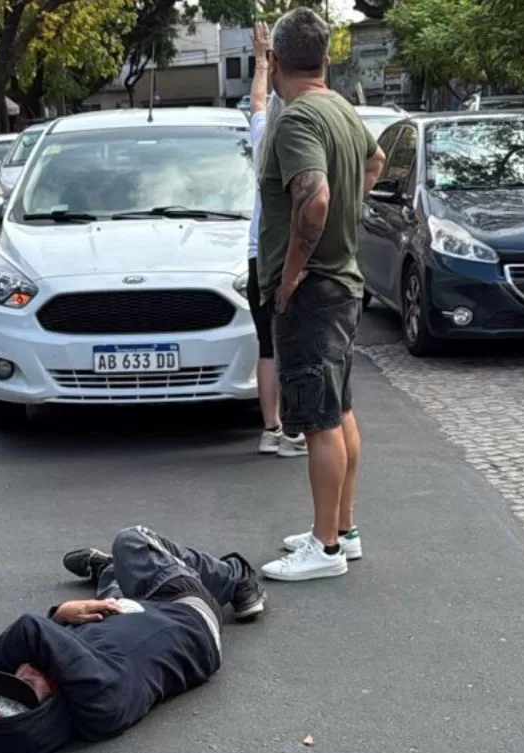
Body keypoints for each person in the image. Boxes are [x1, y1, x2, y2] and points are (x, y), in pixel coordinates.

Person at [0, 526, 266, 753]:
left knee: (107, 598)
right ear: (45, 712)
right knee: (132, 541)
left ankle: (109, 570)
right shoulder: (100, 697)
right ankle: (234, 576)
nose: (24, 669)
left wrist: (61, 616)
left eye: (13, 677)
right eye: (28, 684)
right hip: (184, 610)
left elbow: (46, 642)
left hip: (125, 616)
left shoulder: (79, 696)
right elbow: (29, 630)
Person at [254, 8, 386, 581]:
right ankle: (343, 530)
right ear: (325, 60)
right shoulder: (341, 109)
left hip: (313, 291)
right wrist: (348, 215)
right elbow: (376, 160)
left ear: (274, 60)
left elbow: (315, 199)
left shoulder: (298, 119)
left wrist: (289, 274)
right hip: (342, 284)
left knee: (318, 422)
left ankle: (324, 547)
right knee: (339, 410)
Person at [247, 21, 306, 459]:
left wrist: (261, 59)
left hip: (257, 255)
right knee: (296, 344)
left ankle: (271, 429)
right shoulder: (301, 141)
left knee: (267, 346)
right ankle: (295, 432)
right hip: (293, 255)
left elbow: (255, 99)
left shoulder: (262, 138)